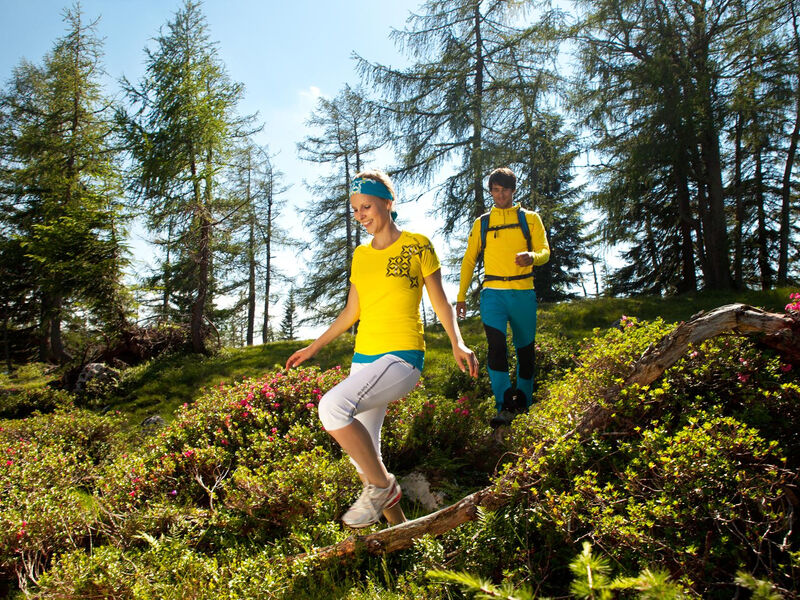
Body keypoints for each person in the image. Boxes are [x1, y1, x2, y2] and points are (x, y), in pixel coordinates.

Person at [286, 169, 478, 529]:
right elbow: (351, 312)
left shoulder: (417, 245)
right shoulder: (361, 256)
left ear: (388, 203)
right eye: (355, 209)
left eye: (367, 206)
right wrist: (313, 347)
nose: (360, 215)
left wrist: (457, 341)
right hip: (364, 361)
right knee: (365, 458)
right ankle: (401, 530)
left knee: (331, 406)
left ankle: (383, 487)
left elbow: (441, 303)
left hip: (402, 358)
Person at [456, 167, 550, 427]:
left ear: (513, 190)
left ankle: (524, 403)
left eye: (504, 190)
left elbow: (544, 251)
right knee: (496, 347)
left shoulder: (530, 219)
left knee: (525, 350)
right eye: (495, 191)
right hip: (493, 294)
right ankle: (504, 403)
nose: (499, 195)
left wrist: (532, 257)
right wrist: (461, 296)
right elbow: (469, 259)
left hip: (523, 293)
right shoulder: (483, 222)